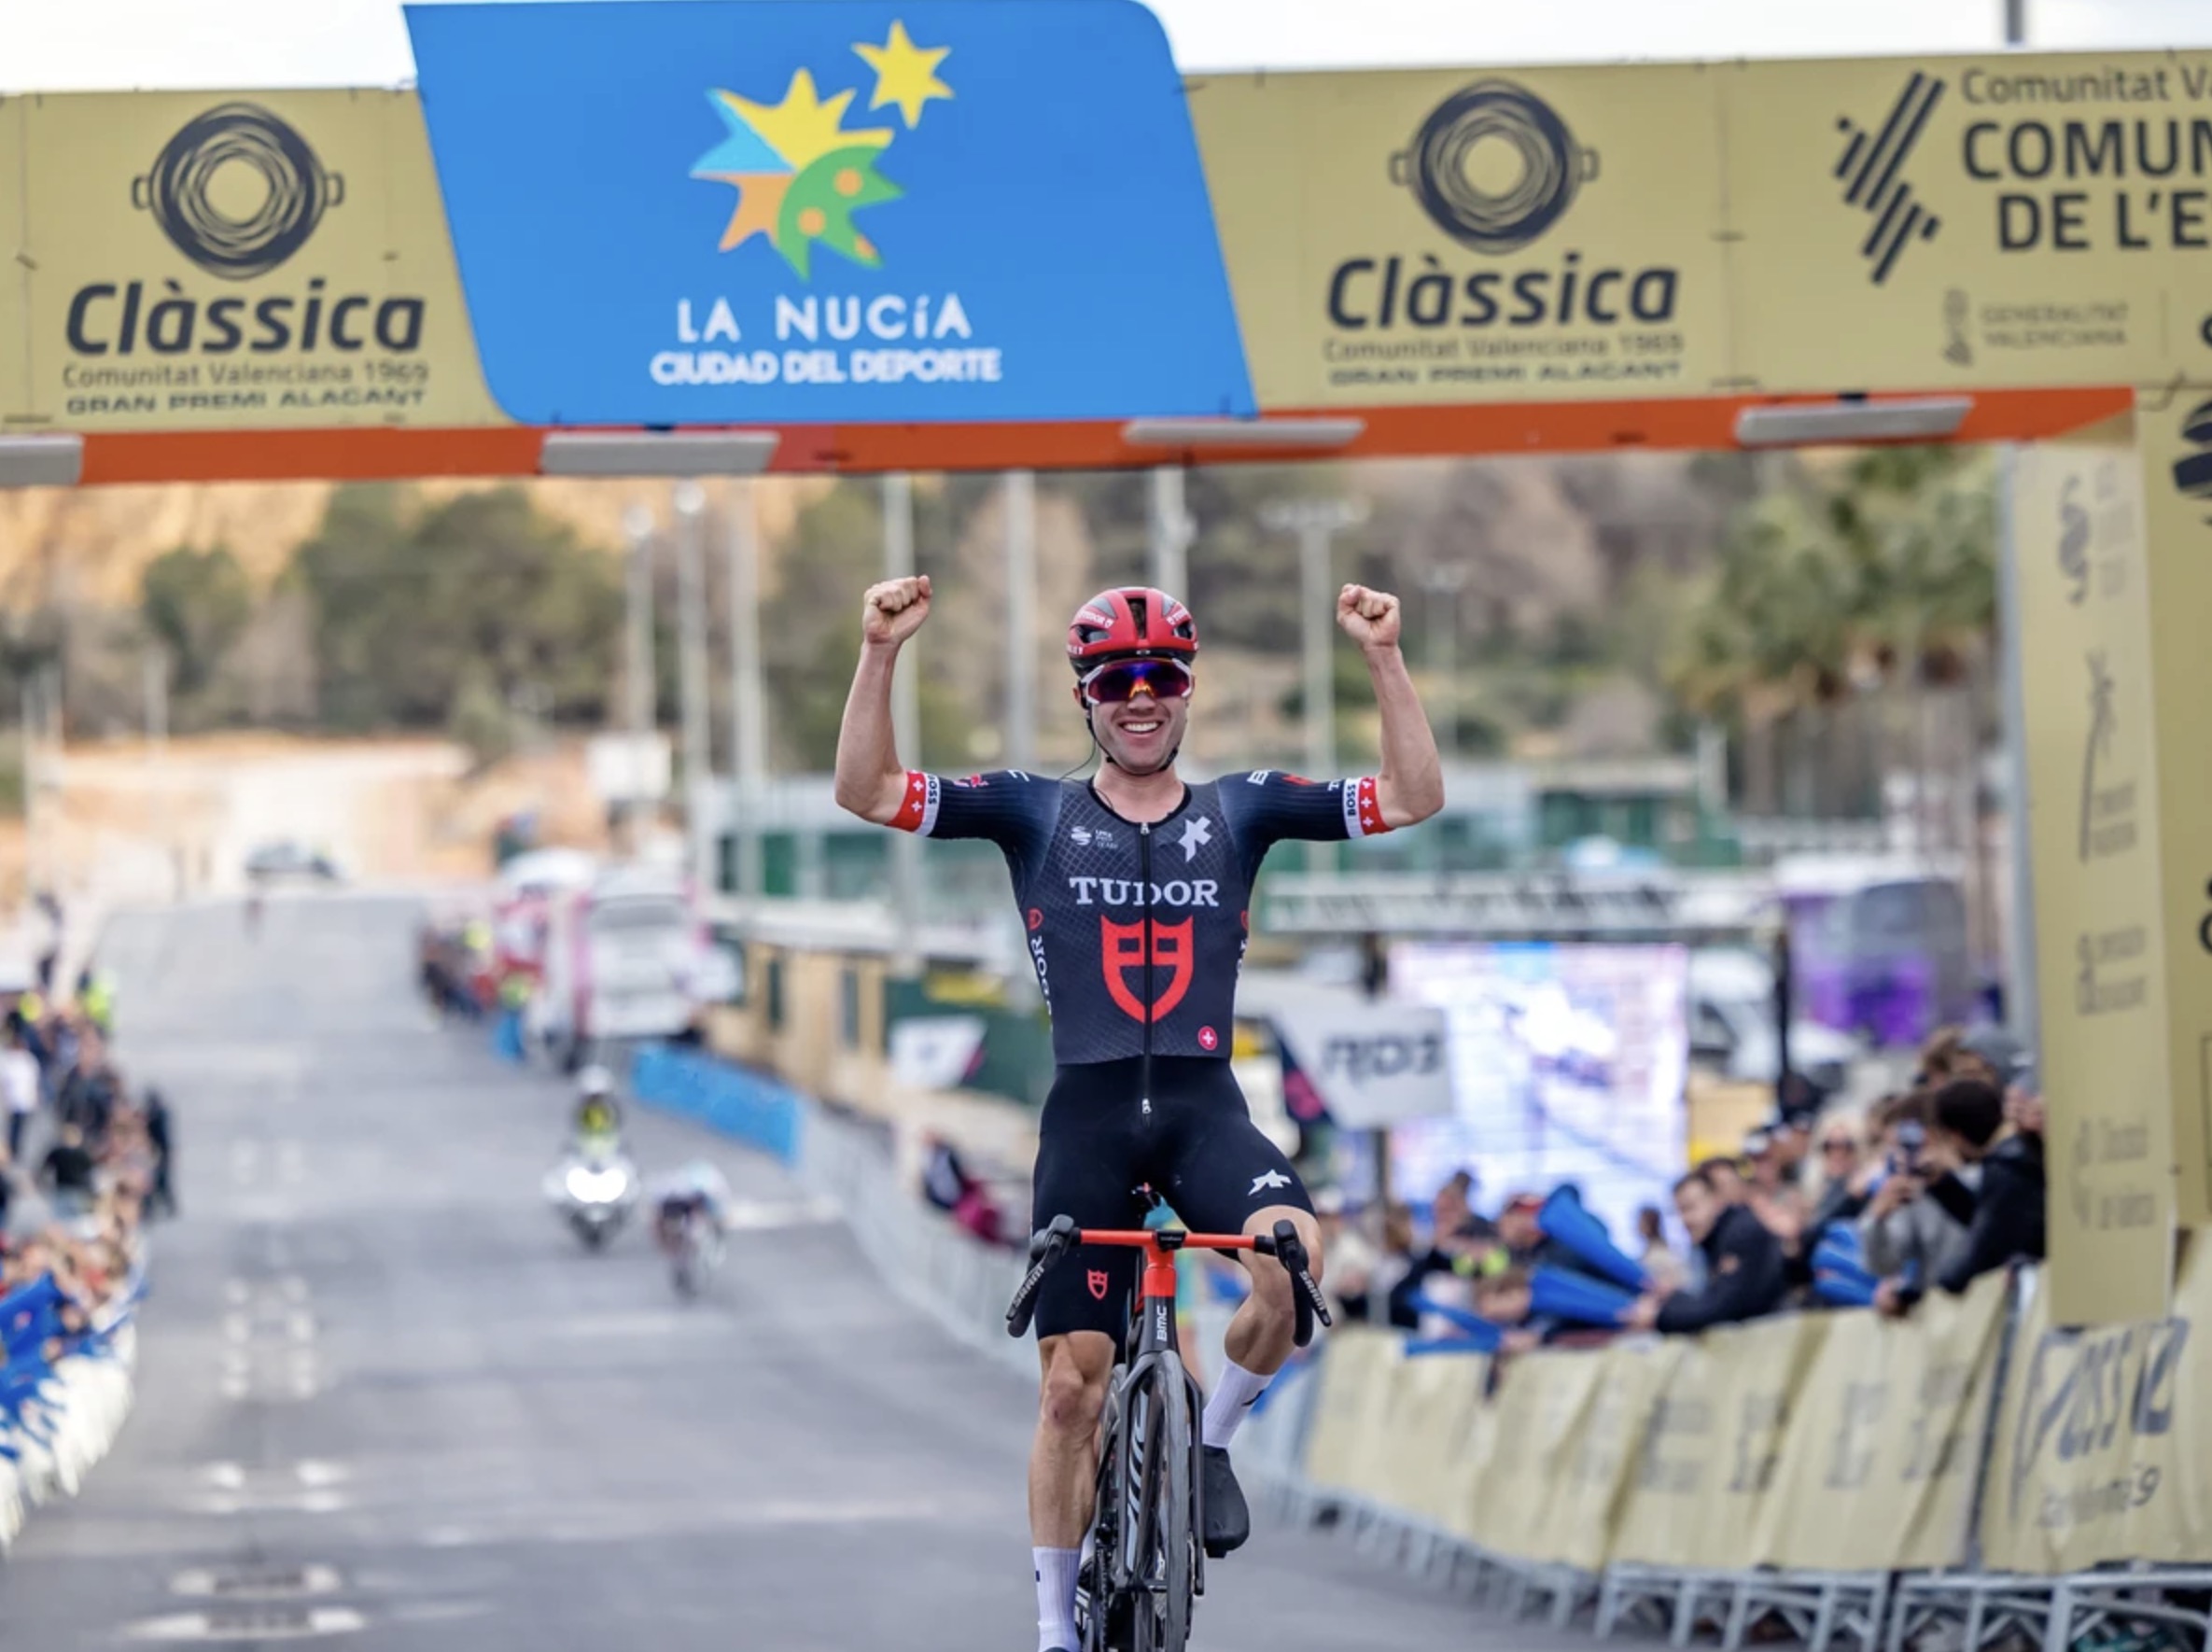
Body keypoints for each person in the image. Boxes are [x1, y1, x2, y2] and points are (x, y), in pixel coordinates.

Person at [833, 574, 1443, 1651]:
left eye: (1162, 676)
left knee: (1289, 1263)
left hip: (1206, 1106)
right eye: (1118, 680)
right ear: (1087, 697)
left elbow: (1410, 796)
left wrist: (1384, 656)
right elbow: (869, 790)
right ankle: (1052, 1628)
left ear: (1188, 689)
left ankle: (1206, 1443)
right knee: (1073, 1390)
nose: (1141, 697)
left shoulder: (1242, 806)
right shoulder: (1036, 809)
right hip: (1090, 1112)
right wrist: (879, 652)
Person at [1918, 1075, 2045, 1295]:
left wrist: (1925, 1290)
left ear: (1955, 1135)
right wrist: (1944, 1186)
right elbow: (1991, 1224)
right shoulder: (2014, 1161)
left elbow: (1979, 1252)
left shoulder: (2007, 1167)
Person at [1622, 1167, 1788, 1335]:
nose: (1684, 1220)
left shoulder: (1739, 1233)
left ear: (1715, 1201)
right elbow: (1713, 1298)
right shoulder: (1712, 1243)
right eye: (1678, 1212)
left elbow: (1721, 1307)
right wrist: (1673, 1296)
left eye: (1690, 1208)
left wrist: (1658, 1317)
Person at [2, 1021, 40, 1165]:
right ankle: (11, 1151)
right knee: (12, 1128)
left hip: (25, 1101)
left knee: (22, 1129)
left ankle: (17, 1152)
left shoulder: (29, 1060)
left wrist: (35, 1096)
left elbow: (33, 1080)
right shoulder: (8, 1059)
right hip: (13, 1101)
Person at [1633, 1204, 1687, 1295]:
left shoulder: (1661, 1254)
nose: (1637, 1225)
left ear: (1650, 1224)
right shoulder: (1650, 1252)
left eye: (1641, 1221)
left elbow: (1679, 1284)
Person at [570, 1065, 623, 1146]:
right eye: (592, 1097)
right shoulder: (583, 1110)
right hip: (585, 1141)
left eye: (599, 1096)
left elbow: (617, 1122)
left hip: (606, 1141)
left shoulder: (609, 1110)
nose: (595, 1100)